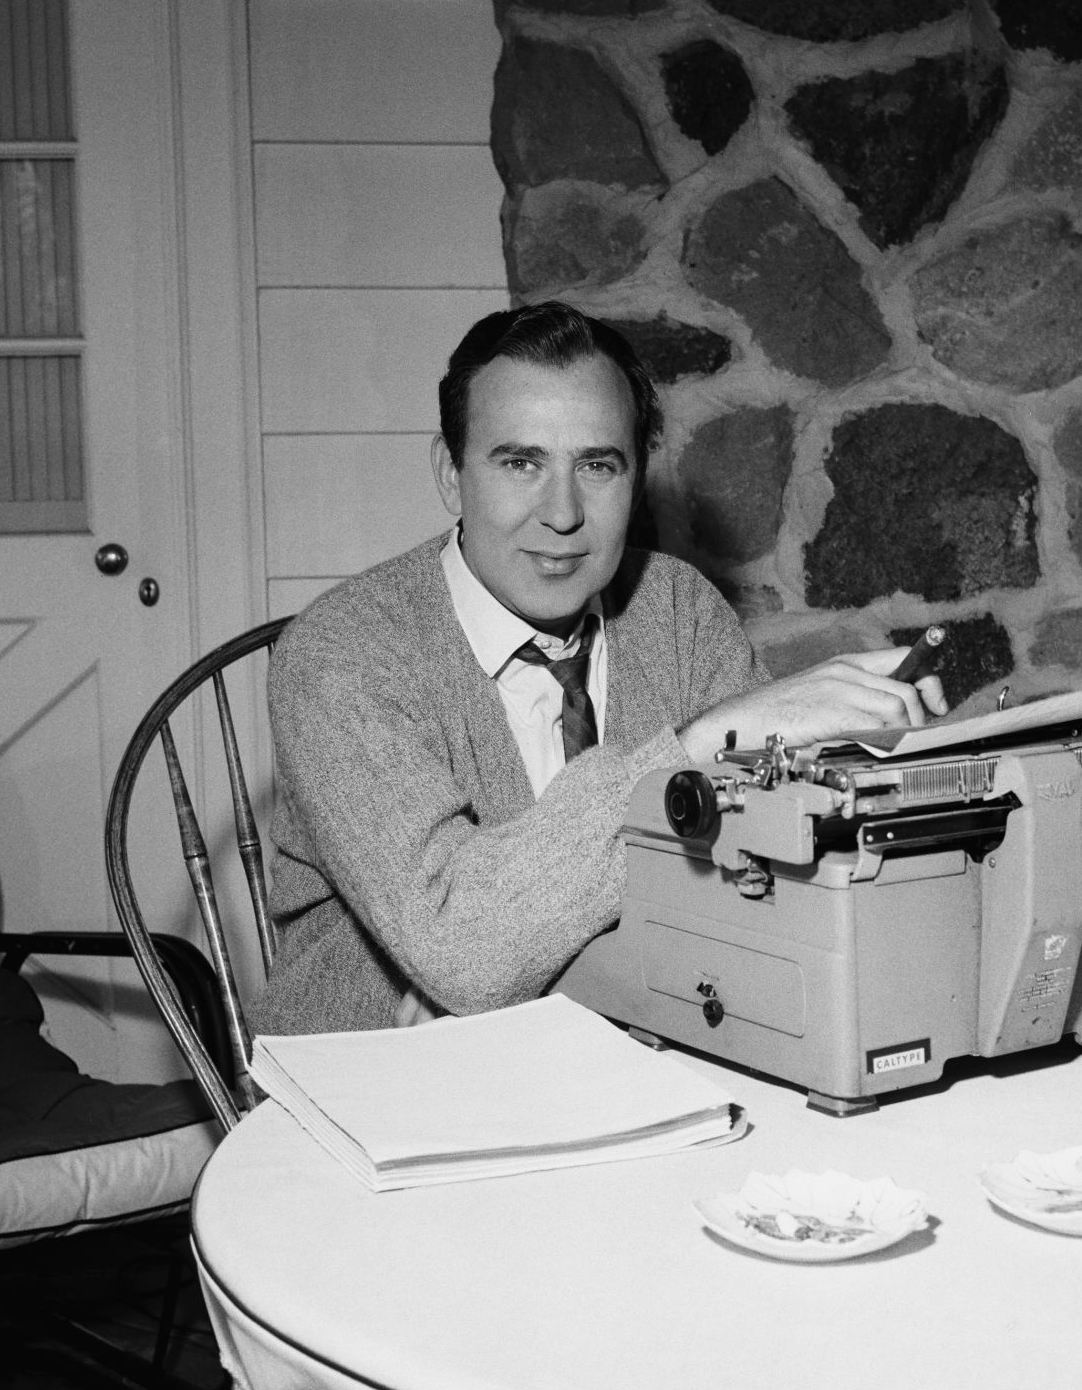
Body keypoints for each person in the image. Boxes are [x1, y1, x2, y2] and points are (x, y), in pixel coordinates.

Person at [250, 302, 944, 1036]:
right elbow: (464, 954)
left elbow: (750, 877)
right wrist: (710, 742)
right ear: (451, 474)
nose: (562, 514)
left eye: (597, 465)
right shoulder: (344, 652)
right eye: (521, 463)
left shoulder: (678, 610)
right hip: (377, 1081)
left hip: (634, 1047)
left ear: (637, 477)